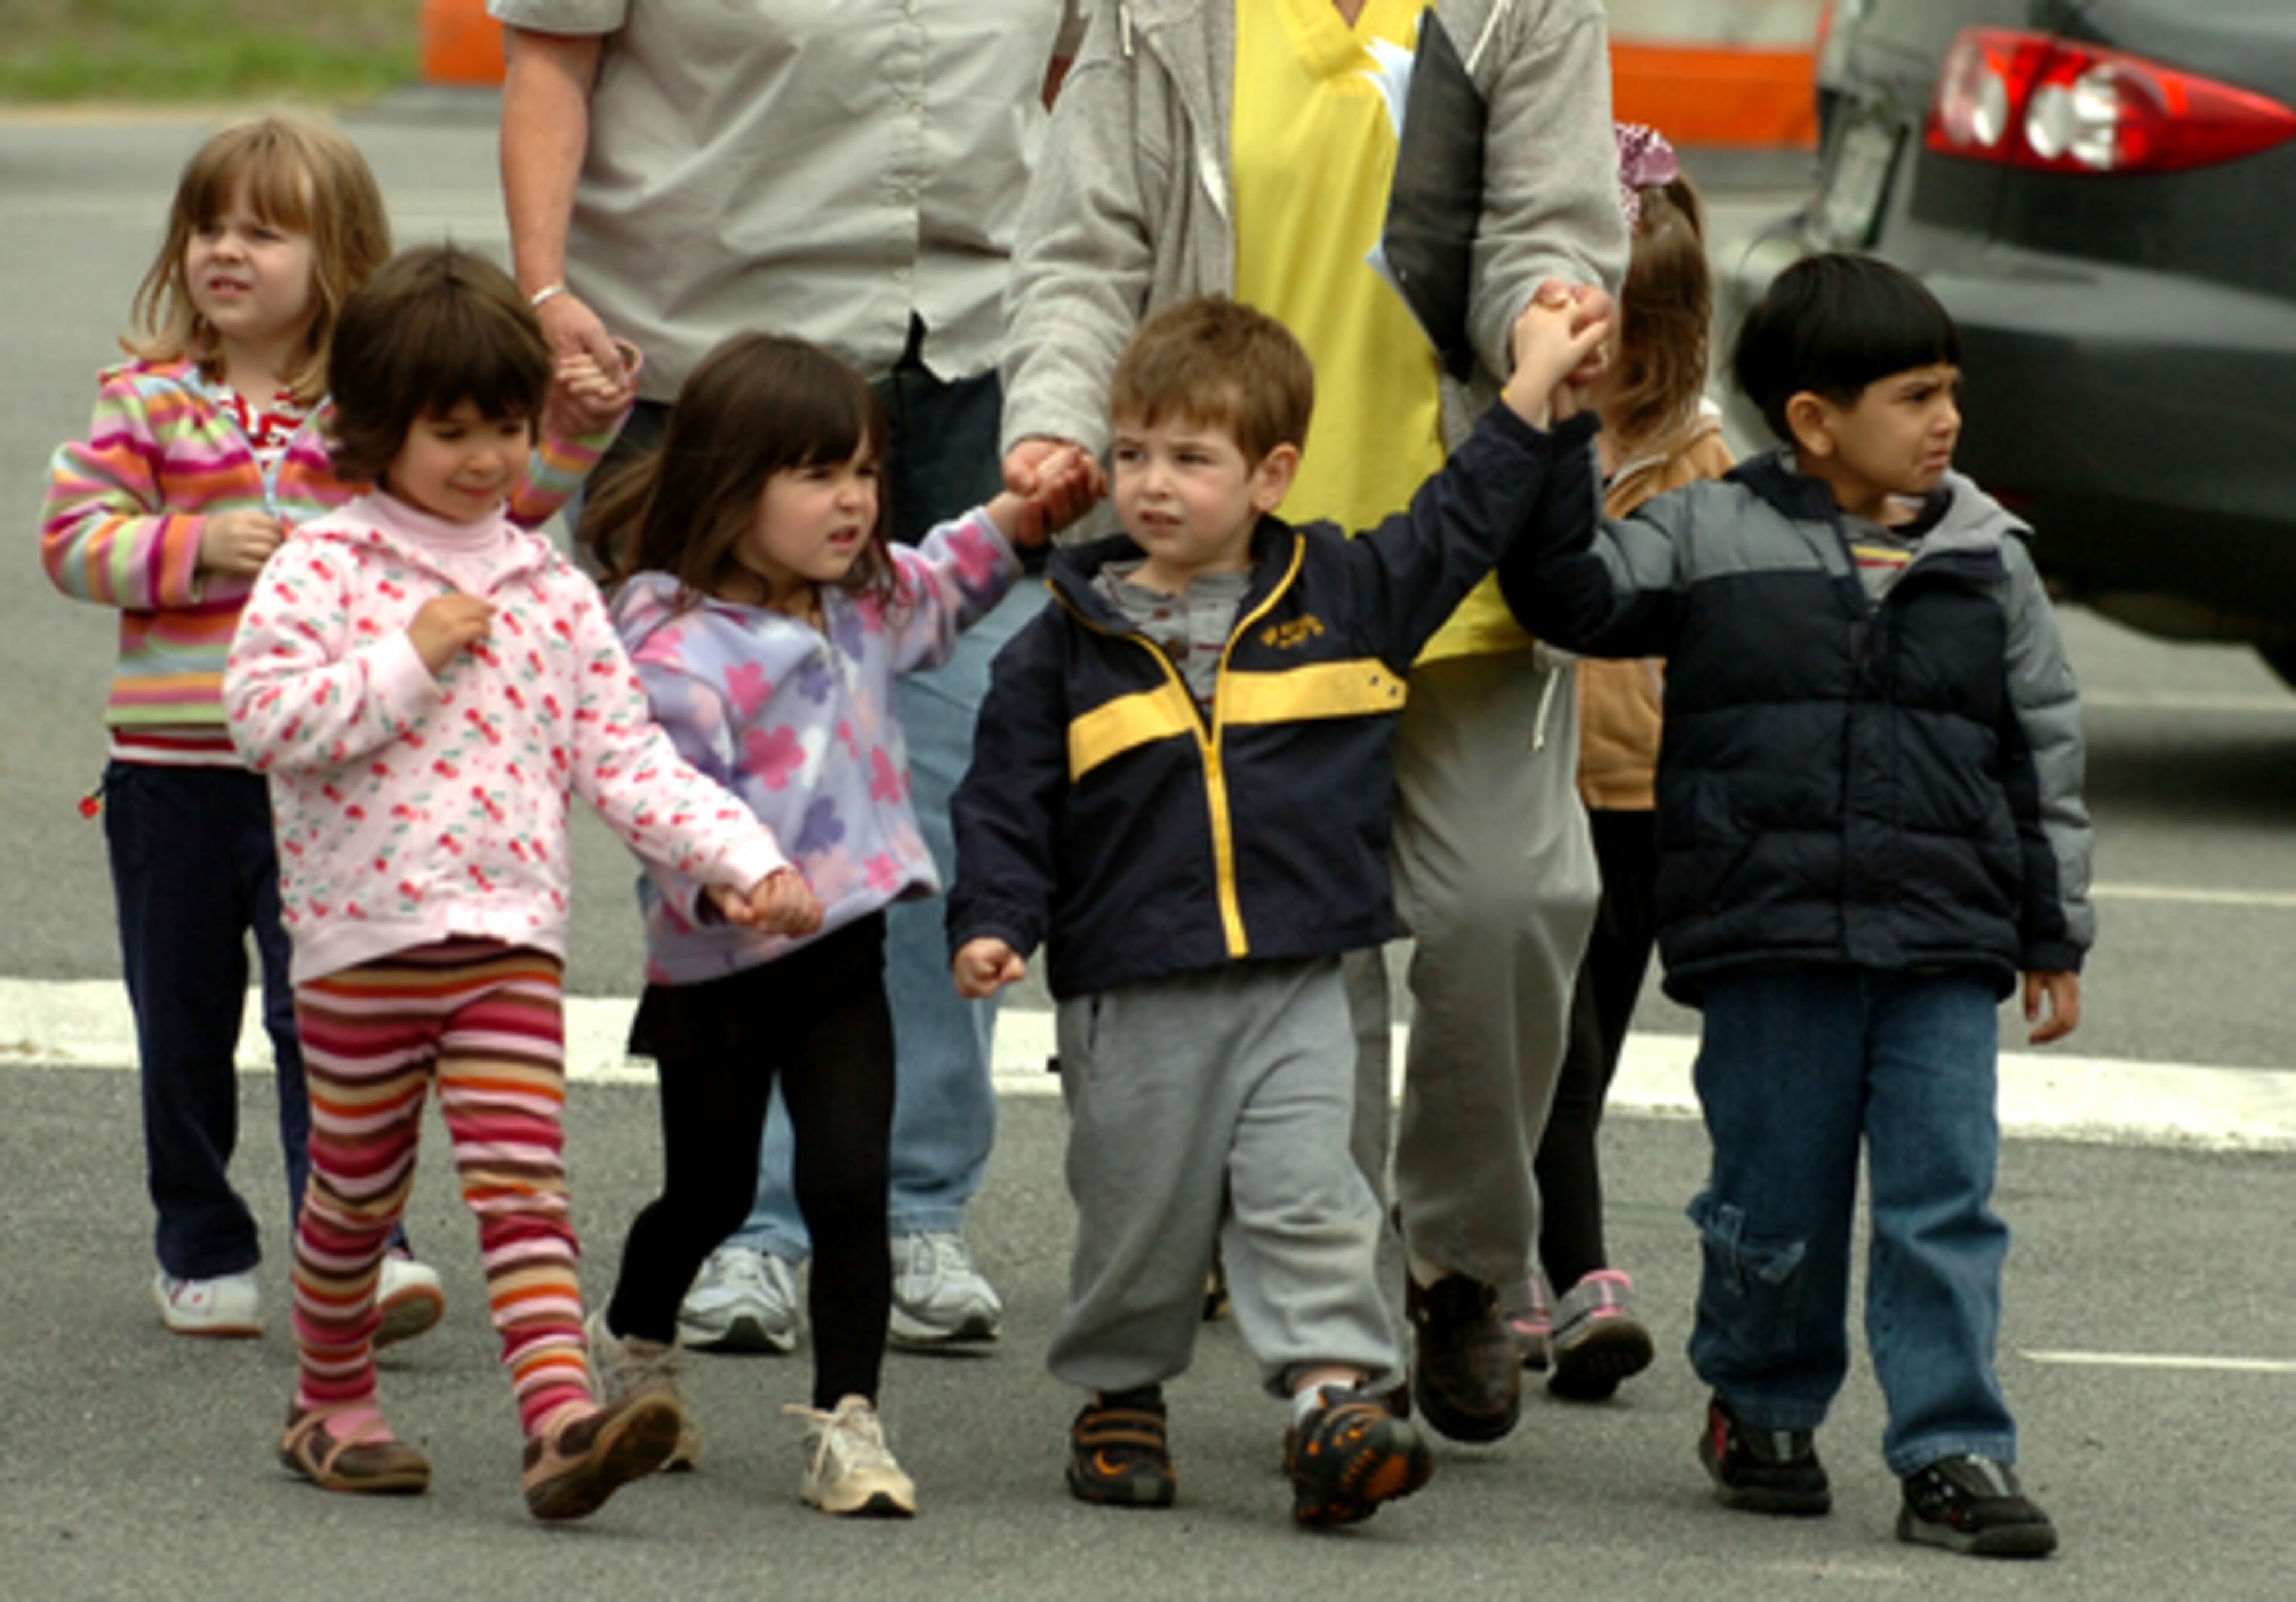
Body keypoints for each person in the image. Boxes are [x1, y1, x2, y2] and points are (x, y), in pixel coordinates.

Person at [996, 0, 1629, 1444]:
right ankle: (1336, 1349)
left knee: (1515, 901)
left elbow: (1554, 219)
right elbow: (1083, 245)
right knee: (1306, 957)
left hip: (1450, 553)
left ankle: (1463, 1261)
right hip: (1226, 582)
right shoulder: (1162, 16)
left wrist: (1548, 314)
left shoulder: (1525, 9)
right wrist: (1053, 417)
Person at [949, 292, 1608, 1524]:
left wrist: (1529, 396)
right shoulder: (1064, 639)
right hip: (1132, 990)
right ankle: (1121, 1391)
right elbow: (1004, 802)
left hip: (1306, 979)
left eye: (1191, 458)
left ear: (1271, 473)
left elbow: (1459, 522)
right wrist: (993, 920)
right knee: (1141, 1215)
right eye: (1135, 451)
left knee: (1314, 1192)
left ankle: (1332, 1399)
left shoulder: (1347, 594)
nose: (1151, 484)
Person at [491, 0, 1086, 1354]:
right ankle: (749, 1221)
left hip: (963, 350)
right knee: (722, 812)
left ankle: (909, 1196)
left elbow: (1074, 73)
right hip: (712, 372)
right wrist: (544, 292)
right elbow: (549, 60)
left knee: (934, 796)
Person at [1498, 252, 2090, 1558]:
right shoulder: (1712, 530)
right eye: (1914, 395)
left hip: (1943, 940)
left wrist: (2054, 931)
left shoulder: (1989, 556)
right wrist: (1549, 431)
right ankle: (1760, 1402)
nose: (1946, 419)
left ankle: (1953, 1446)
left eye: (1952, 392)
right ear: (1815, 422)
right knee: (1776, 1197)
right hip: (1770, 937)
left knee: (1946, 1199)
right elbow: (1570, 593)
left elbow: (2039, 745)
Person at [223, 245, 792, 1520]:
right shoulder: (324, 567)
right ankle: (329, 1399)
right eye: (450, 430)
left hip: (508, 946)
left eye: (506, 427)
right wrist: (403, 662)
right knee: (356, 1192)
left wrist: (741, 857)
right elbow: (262, 719)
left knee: (525, 1184)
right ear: (376, 427)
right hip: (362, 943)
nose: (486, 458)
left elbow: (628, 756)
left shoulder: (548, 590)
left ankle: (559, 1425)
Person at [579, 331, 1050, 1516]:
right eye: (817, 476)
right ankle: (637, 1340)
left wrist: (1022, 512)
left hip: (844, 954)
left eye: (864, 471)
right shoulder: (672, 642)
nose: (854, 501)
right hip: (718, 966)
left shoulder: (866, 600)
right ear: (729, 489)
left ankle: (850, 1421)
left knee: (850, 1183)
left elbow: (945, 580)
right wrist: (729, 875)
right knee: (712, 1191)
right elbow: (652, 795)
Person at [39, 113, 451, 1344]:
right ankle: (199, 1238)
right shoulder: (147, 400)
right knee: (182, 1018)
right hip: (171, 775)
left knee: (327, 1017)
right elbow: (72, 543)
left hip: (325, 775)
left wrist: (581, 424)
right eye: (208, 227)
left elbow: (477, 505)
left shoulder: (370, 418)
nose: (227, 251)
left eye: (264, 232)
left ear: (340, 256)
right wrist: (191, 545)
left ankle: (362, 1244)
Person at [1509, 124, 1733, 1402]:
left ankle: (1523, 1254)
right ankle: (1568, 1268)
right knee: (1555, 1042)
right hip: (1534, 765)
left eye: (1652, 336)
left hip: (1641, 794)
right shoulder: (1532, 431)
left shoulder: (1698, 457)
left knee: (1588, 1033)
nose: (1623, 360)